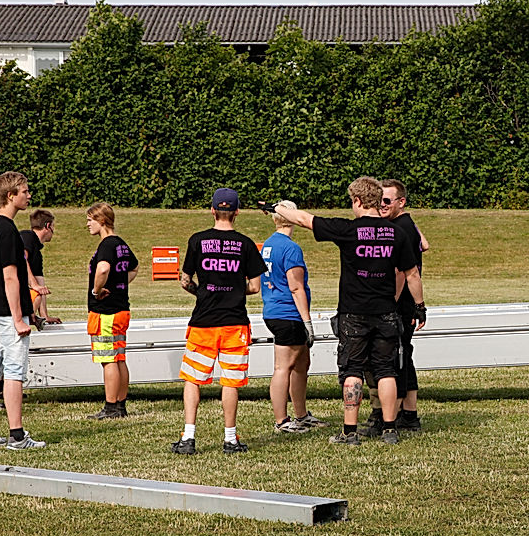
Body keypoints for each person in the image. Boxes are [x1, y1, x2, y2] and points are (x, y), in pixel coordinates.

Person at [275, 176, 426, 446]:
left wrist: (280, 210)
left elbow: (305, 220)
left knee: (352, 370)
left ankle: (349, 431)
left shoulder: (348, 230)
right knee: (386, 370)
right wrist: (420, 306)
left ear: (357, 201)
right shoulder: (397, 233)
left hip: (353, 313)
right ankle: (390, 429)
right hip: (387, 312)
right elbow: (412, 274)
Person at [171, 187, 265, 455]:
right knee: (230, 381)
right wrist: (236, 289)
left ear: (212, 210)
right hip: (235, 322)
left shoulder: (197, 240)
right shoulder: (246, 244)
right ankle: (230, 439)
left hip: (204, 320)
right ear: (236, 212)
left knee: (193, 379)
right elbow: (255, 286)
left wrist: (201, 291)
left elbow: (185, 279)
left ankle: (188, 438)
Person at [0, 171, 46, 450]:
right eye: (25, 191)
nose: (29, 195)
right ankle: (17, 435)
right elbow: (9, 276)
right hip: (6, 311)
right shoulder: (7, 231)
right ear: (11, 196)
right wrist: (18, 317)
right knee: (14, 371)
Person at [360, 178, 429, 435]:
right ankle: (408, 415)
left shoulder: (401, 228)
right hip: (406, 304)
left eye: (387, 201)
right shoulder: (404, 224)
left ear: (401, 202)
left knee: (393, 359)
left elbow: (401, 273)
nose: (382, 206)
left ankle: (389, 415)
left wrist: (390, 305)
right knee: (404, 356)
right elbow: (425, 244)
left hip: (400, 305)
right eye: (379, 201)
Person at [260, 200, 326, 434]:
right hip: (287, 312)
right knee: (283, 367)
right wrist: (307, 321)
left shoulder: (268, 244)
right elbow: (296, 287)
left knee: (301, 364)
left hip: (273, 310)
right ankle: (281, 420)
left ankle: (301, 415)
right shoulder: (290, 248)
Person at [85, 202, 139, 420]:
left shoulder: (106, 245)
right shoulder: (122, 245)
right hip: (121, 309)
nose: (87, 224)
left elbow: (103, 268)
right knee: (119, 357)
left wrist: (96, 290)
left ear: (102, 221)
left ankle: (110, 406)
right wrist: (120, 283)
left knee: (108, 359)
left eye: (90, 220)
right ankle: (120, 405)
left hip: (105, 311)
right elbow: (134, 267)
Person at [22, 209, 60, 326]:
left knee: (37, 295)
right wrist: (34, 284)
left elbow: (40, 284)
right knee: (35, 296)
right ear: (48, 226)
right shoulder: (27, 236)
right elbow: (22, 259)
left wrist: (45, 316)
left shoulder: (37, 252)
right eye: (53, 226)